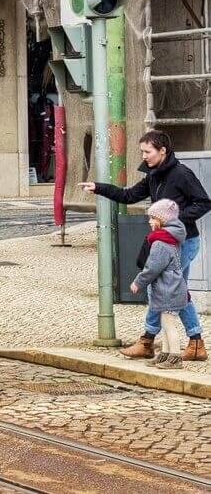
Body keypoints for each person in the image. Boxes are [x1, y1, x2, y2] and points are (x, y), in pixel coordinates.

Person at [81, 129, 210, 361]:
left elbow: (203, 202)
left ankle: (151, 340)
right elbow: (129, 196)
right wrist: (99, 187)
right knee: (174, 290)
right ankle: (192, 342)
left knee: (164, 289)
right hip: (166, 242)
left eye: (147, 151)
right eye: (142, 151)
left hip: (184, 242)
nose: (144, 156)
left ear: (163, 151)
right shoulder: (153, 176)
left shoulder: (182, 174)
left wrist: (174, 220)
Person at [129, 200, 189, 369]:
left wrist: (138, 282)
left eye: (153, 218)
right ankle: (165, 354)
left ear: (162, 220)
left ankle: (175, 358)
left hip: (168, 289)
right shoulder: (170, 238)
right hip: (171, 287)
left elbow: (152, 268)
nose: (149, 221)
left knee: (169, 325)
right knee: (165, 322)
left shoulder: (160, 243)